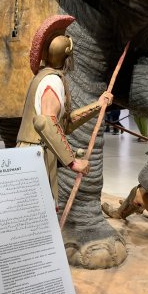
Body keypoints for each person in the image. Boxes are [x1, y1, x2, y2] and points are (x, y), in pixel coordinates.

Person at [17, 14, 112, 204]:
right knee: (39, 210)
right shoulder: (52, 81)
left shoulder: (45, 76)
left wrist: (98, 105)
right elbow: (46, 123)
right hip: (37, 154)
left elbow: (64, 124)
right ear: (68, 55)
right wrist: (73, 162)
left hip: (37, 150)